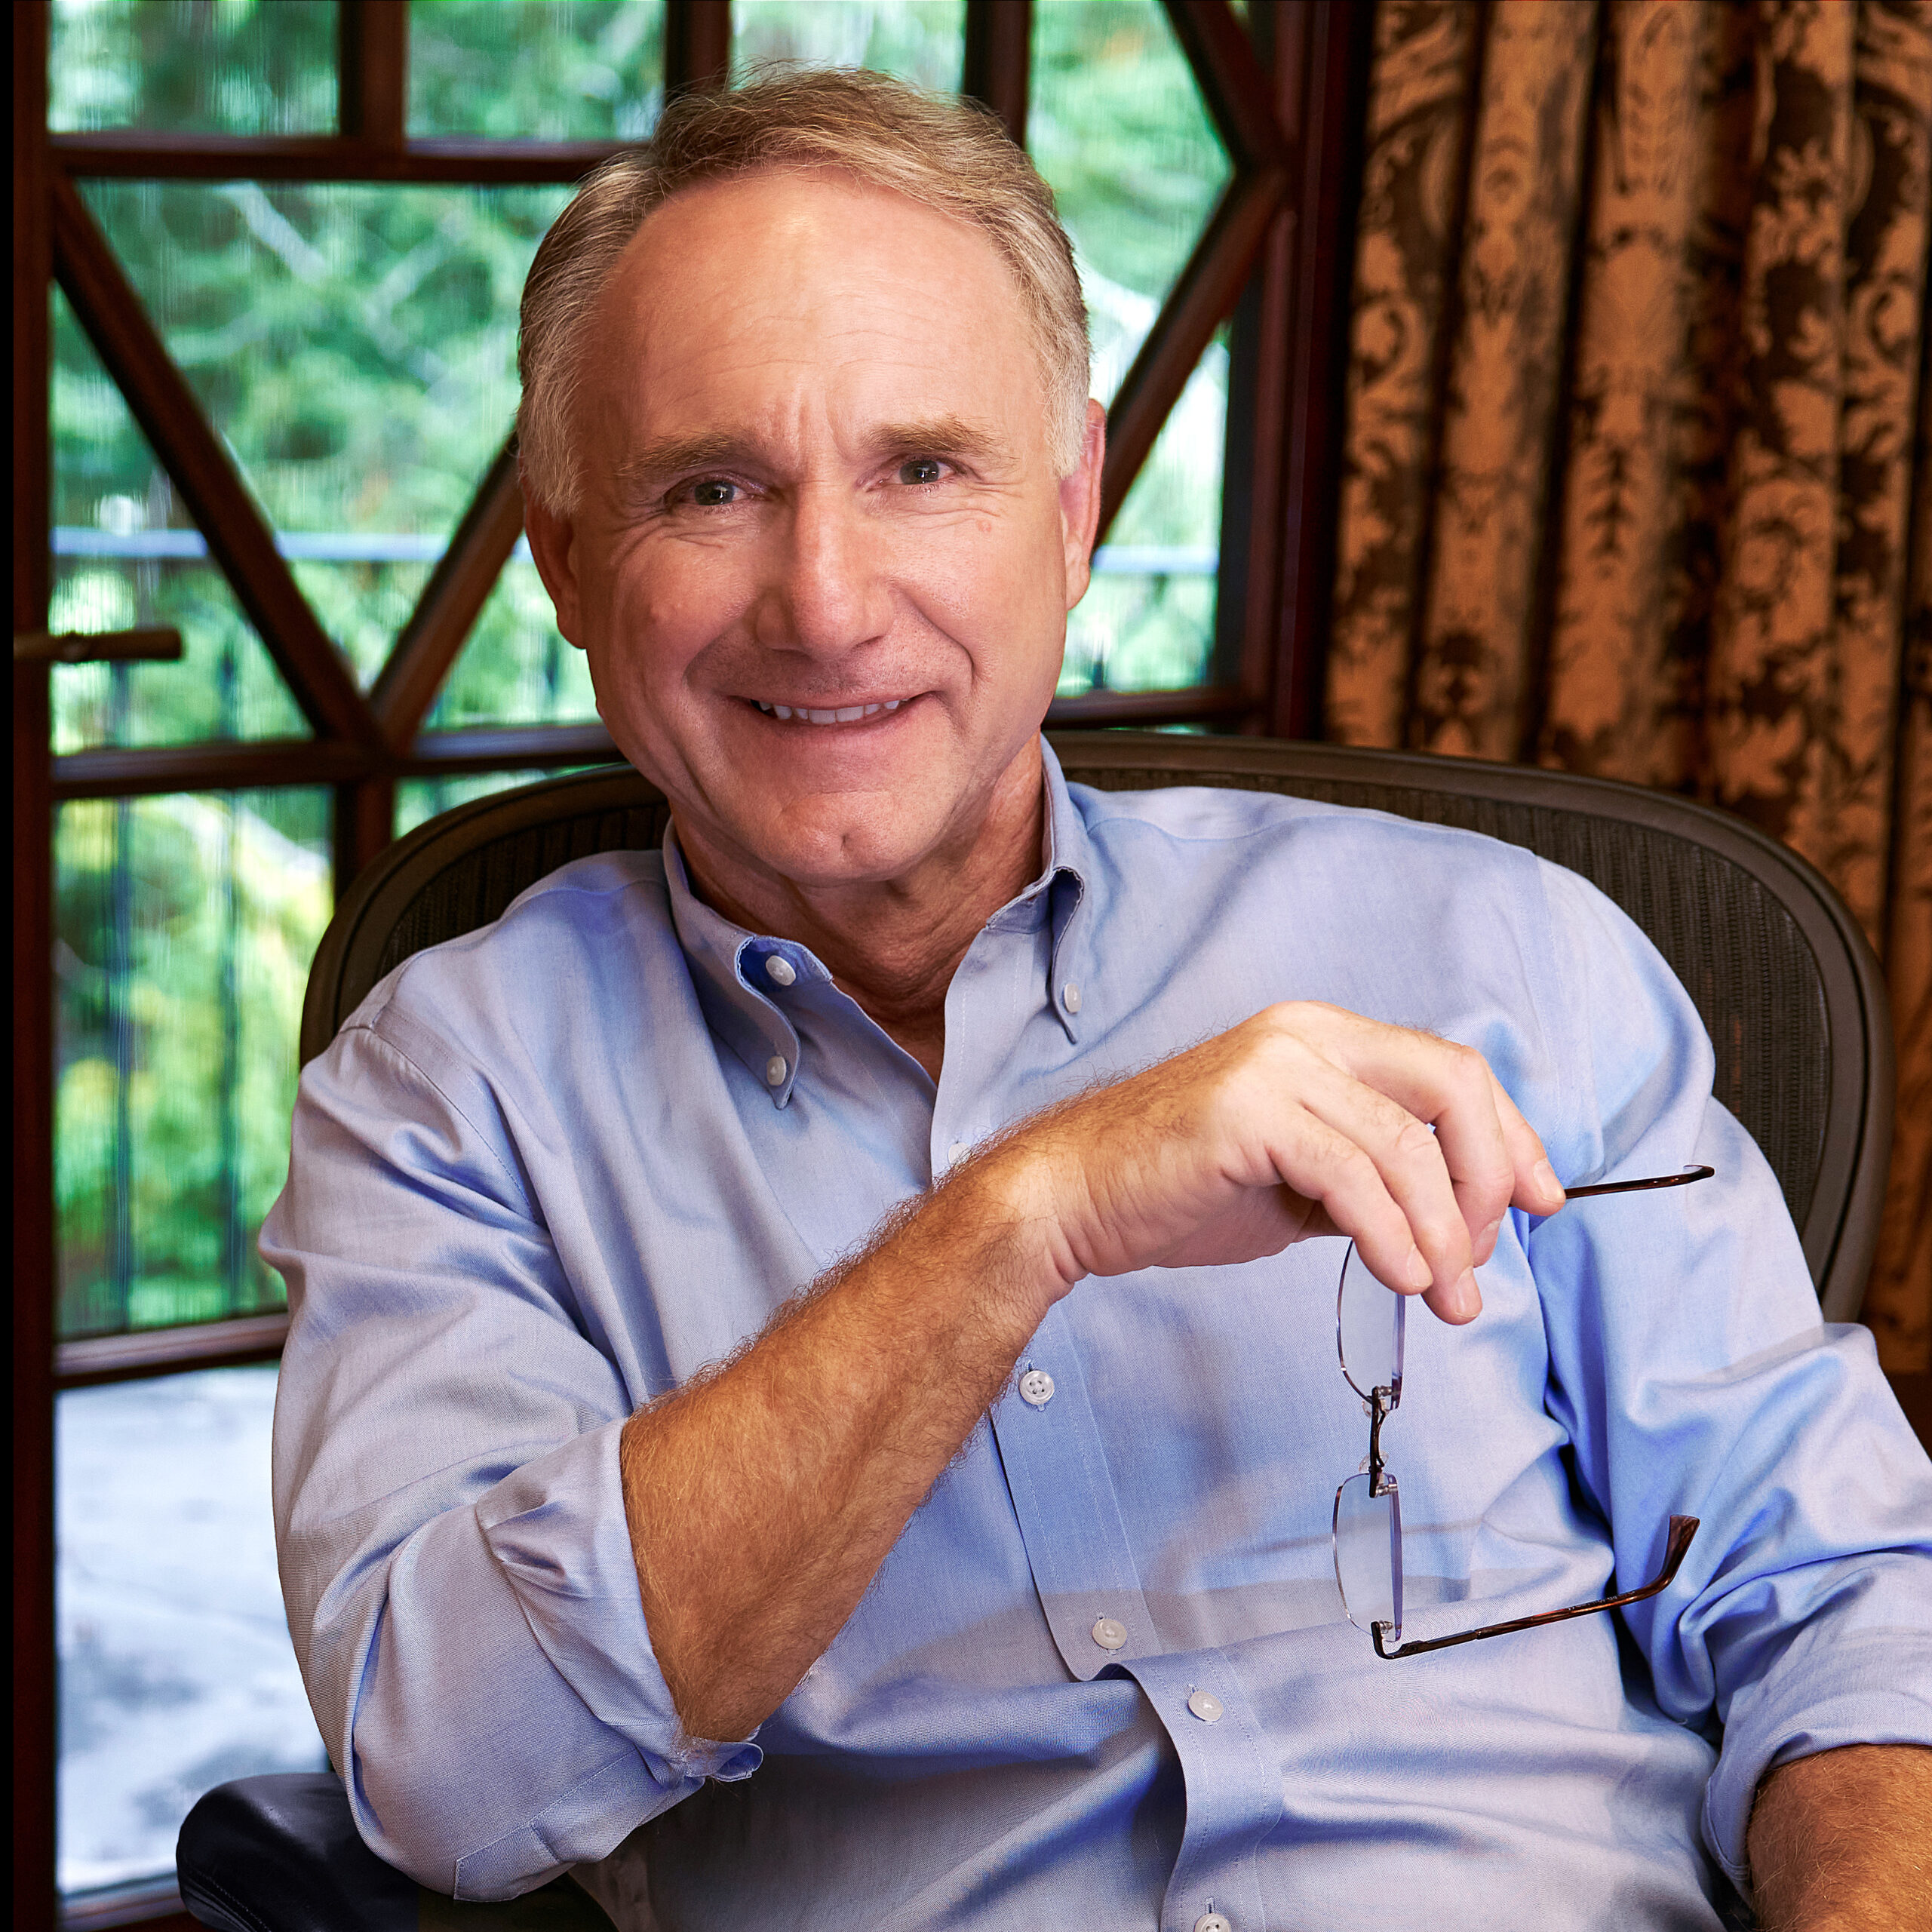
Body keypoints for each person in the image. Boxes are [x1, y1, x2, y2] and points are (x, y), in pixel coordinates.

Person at [265, 70, 1932, 1930]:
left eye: (923, 469)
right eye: (713, 488)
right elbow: (449, 1780)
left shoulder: (1509, 952)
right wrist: (1020, 1219)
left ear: (1075, 508)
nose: (827, 602)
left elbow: (1842, 1595)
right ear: (570, 563)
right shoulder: (445, 1097)